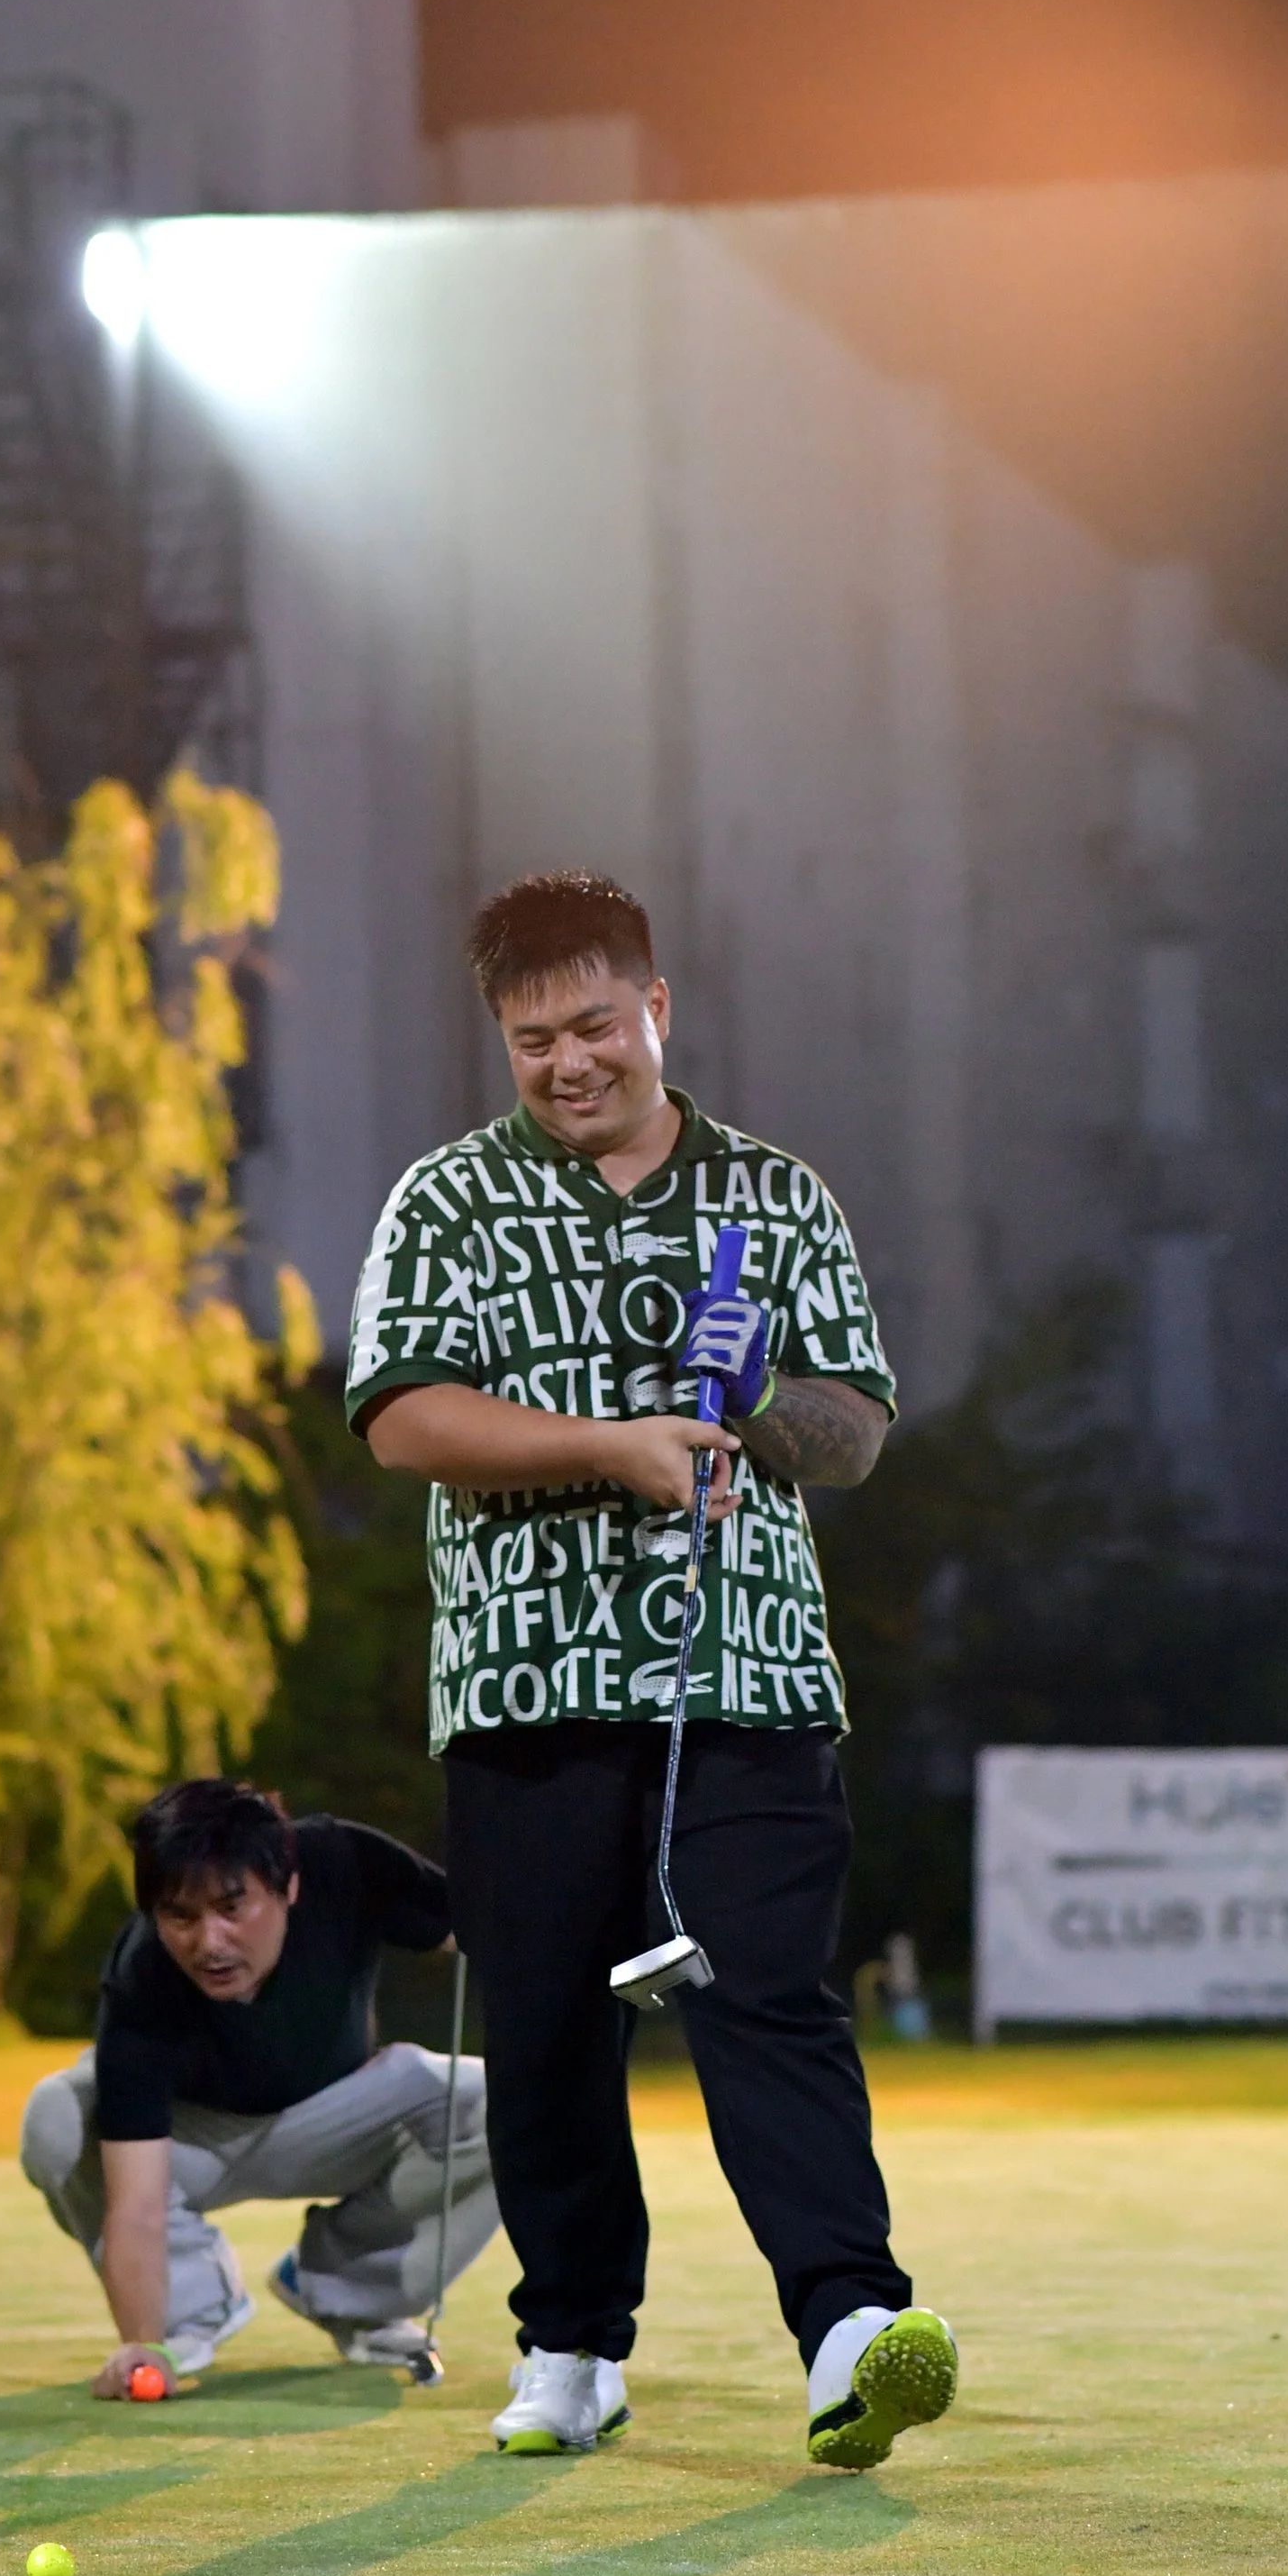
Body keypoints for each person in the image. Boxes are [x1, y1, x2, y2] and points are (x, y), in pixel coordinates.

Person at [346, 871, 956, 2470]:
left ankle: (846, 2327)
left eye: (595, 1024)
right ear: (504, 1037)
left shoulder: (774, 1193)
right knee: (545, 2026)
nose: (567, 1062)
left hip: (743, 1680)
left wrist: (761, 1406)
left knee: (767, 1998)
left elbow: (860, 1434)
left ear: (656, 1009)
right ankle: (571, 2344)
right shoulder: (448, 1202)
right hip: (526, 1685)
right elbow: (405, 1414)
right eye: (533, 1037)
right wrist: (613, 1451)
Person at [22, 1778, 497, 2395]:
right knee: (54, 2116)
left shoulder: (341, 1860)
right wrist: (141, 2343)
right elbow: (136, 2204)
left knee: (494, 2100)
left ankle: (350, 2290)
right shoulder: (141, 1973)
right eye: (180, 1915)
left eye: (231, 1906)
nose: (208, 1942)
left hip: (338, 2117)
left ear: (288, 1886)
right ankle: (183, 2320)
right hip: (193, 2143)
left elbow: (490, 1928)